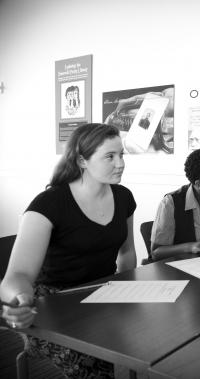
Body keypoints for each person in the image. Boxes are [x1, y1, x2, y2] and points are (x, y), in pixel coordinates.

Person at [0, 123, 137, 378]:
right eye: (110, 156)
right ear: (82, 160)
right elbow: (17, 274)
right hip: (53, 304)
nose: (120, 163)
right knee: (104, 367)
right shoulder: (49, 204)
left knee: (142, 347)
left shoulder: (124, 197)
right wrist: (19, 298)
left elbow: (127, 252)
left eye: (121, 155)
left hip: (102, 295)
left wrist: (125, 289)